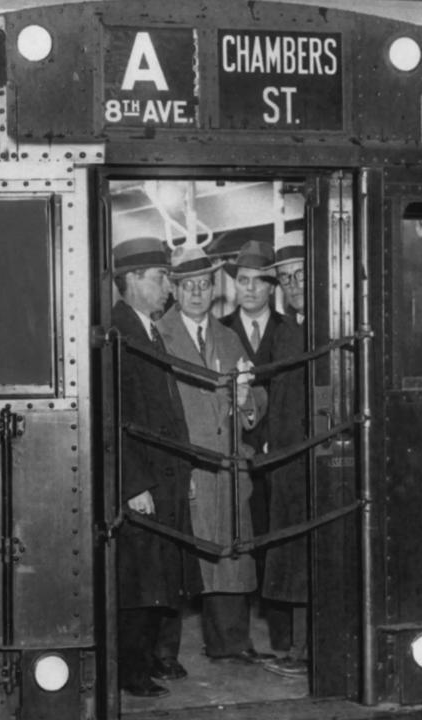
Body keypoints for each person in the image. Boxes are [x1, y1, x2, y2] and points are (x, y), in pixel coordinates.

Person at [156, 245, 272, 665]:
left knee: (231, 556)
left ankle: (231, 643)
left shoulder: (227, 335)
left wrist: (245, 400)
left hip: (226, 467)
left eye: (204, 285)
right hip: (185, 464)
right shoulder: (158, 335)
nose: (197, 294)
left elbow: (258, 397)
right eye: (188, 286)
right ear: (174, 289)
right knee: (175, 560)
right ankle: (163, 654)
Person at [112, 236, 199, 698]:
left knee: (155, 580)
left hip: (162, 477)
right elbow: (115, 416)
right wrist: (133, 484)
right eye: (161, 276)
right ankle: (130, 672)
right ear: (132, 280)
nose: (168, 285)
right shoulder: (119, 331)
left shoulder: (146, 328)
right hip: (142, 481)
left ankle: (141, 664)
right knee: (140, 582)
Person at [218, 239, 294, 655]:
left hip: (277, 460)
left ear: (271, 288)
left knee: (276, 544)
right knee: (234, 547)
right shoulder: (219, 331)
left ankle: (282, 638)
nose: (249, 289)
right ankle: (235, 641)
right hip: (232, 458)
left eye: (258, 282)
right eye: (242, 281)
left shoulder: (290, 330)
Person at [262, 227, 310, 678]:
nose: (294, 285)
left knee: (314, 550)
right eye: (287, 279)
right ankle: (298, 648)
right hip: (287, 458)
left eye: (300, 275)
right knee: (295, 553)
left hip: (317, 459)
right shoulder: (284, 332)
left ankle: (311, 648)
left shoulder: (327, 328)